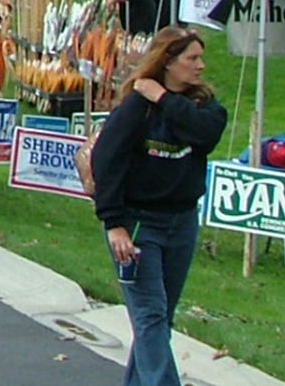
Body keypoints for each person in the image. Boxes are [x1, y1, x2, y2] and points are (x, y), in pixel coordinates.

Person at [90, 27, 227, 386]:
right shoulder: (136, 107)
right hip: (138, 225)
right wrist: (114, 223)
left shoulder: (203, 106)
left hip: (181, 222)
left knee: (160, 320)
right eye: (191, 58)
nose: (200, 66)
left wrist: (164, 97)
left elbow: (206, 134)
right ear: (167, 61)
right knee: (150, 317)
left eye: (200, 58)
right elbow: (106, 160)